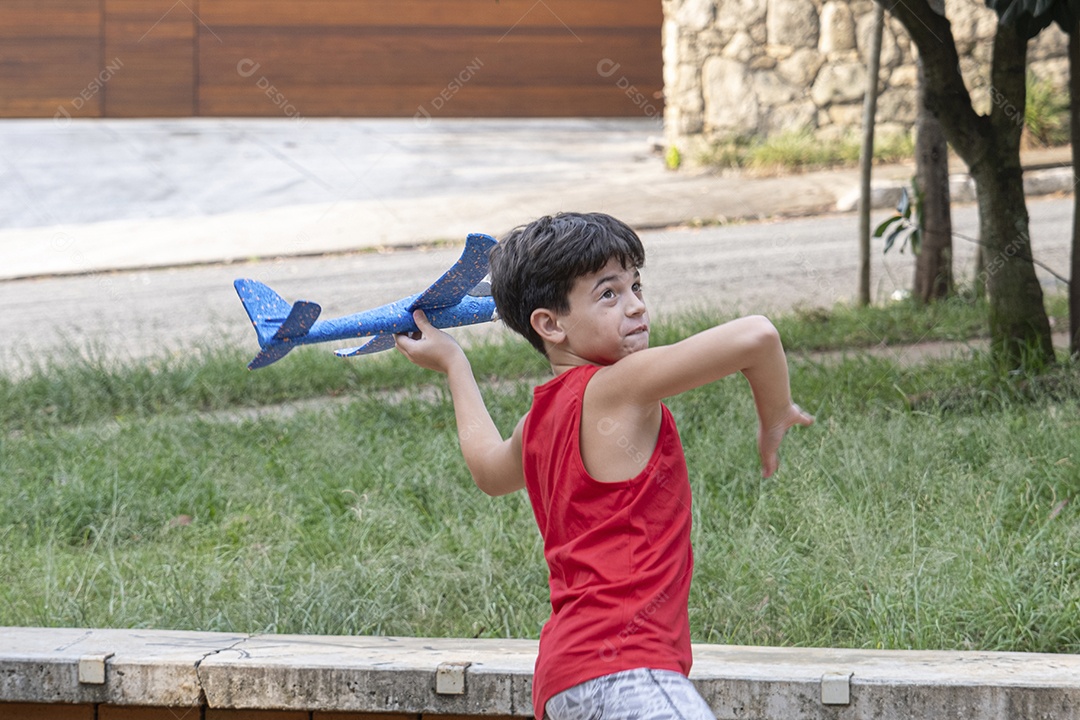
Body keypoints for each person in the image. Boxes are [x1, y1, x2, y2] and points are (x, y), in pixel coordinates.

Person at [394, 212, 812, 720]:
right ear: (550, 324)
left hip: (564, 683)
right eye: (609, 294)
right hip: (629, 676)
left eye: (636, 285)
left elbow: (488, 469)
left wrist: (454, 364)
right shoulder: (621, 384)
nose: (636, 305)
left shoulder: (540, 420)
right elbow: (758, 336)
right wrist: (775, 417)